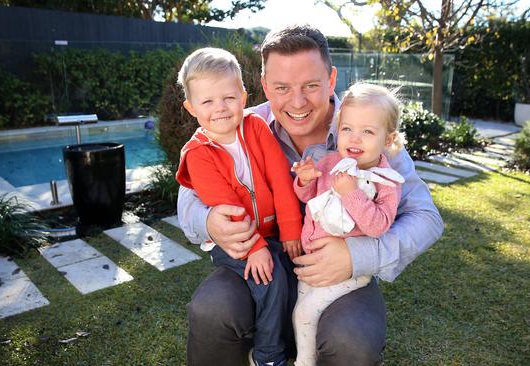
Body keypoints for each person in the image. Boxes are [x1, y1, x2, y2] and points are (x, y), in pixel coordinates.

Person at [178, 24, 444, 366]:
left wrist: (356, 255)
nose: (298, 102)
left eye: (311, 86)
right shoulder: (240, 125)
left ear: (332, 79)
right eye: (282, 88)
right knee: (211, 309)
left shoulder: (366, 130)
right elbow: (188, 197)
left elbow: (427, 218)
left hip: (340, 272)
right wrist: (209, 221)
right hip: (263, 258)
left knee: (352, 340)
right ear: (263, 87)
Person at [174, 47, 303, 366]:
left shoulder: (256, 128)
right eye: (207, 102)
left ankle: (295, 345)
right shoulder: (198, 154)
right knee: (270, 280)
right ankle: (269, 356)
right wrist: (256, 247)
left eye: (228, 97)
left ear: (243, 96)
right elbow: (228, 208)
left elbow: (280, 181)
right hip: (234, 242)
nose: (220, 108)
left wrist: (290, 231)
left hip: (272, 232)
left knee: (293, 272)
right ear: (191, 107)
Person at [291, 83, 405, 366]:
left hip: (351, 271)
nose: (355, 138)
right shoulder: (331, 162)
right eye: (347, 129)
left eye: (367, 131)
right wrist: (305, 180)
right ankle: (311, 355)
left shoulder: (385, 181)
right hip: (313, 261)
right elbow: (309, 199)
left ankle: (304, 362)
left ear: (388, 139)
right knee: (301, 311)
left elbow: (378, 226)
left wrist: (350, 193)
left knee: (304, 314)